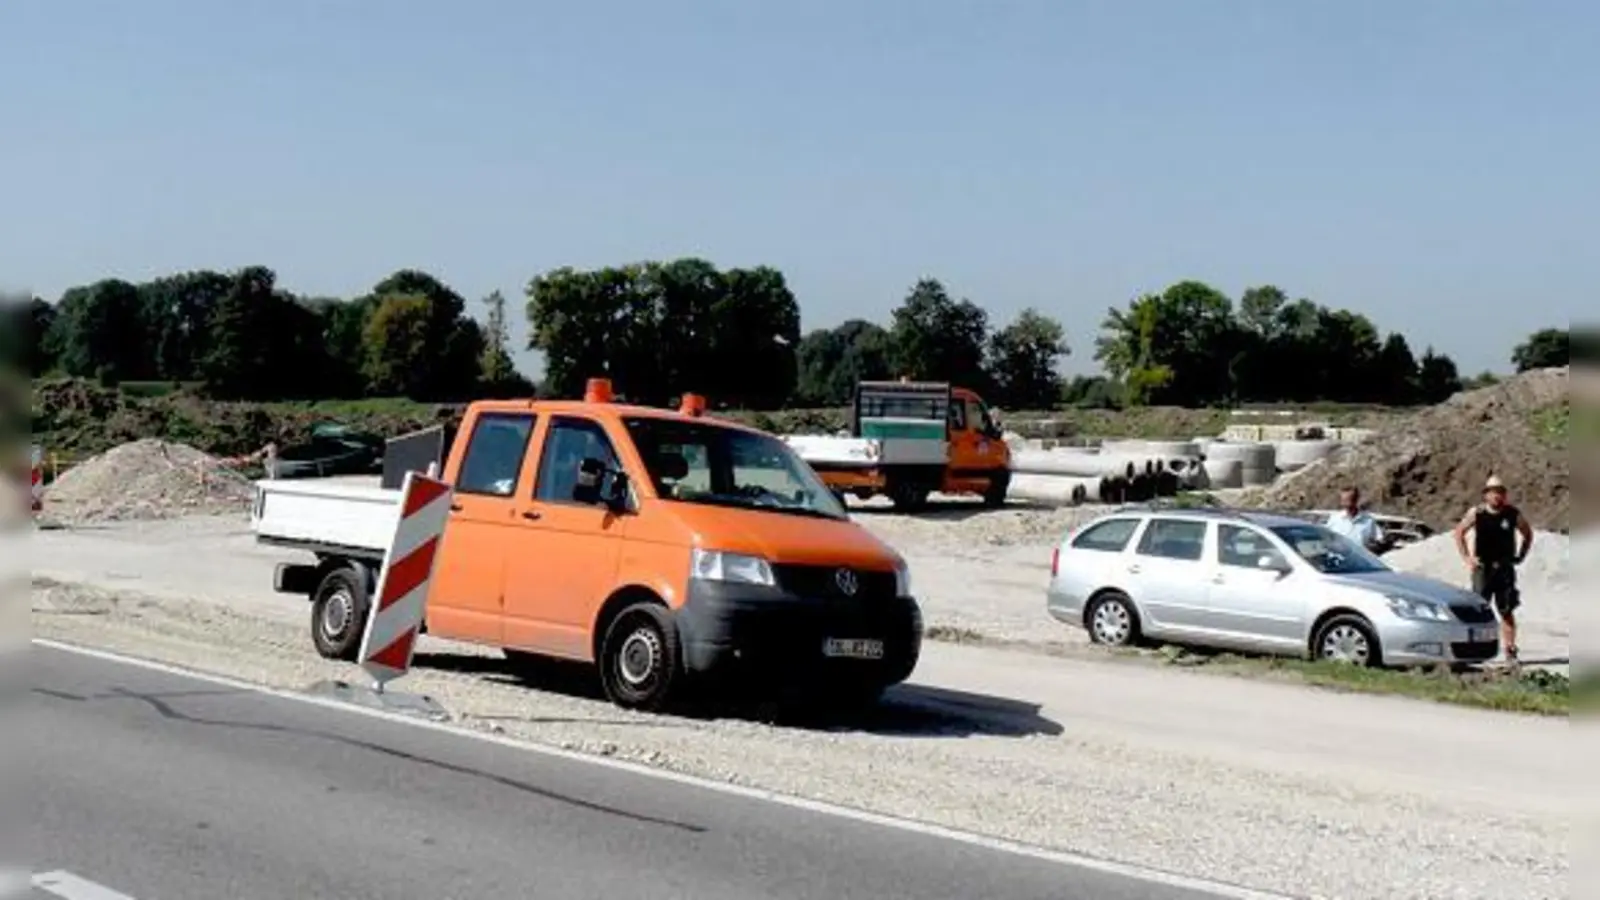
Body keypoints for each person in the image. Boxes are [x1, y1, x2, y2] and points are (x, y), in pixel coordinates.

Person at [1452, 475, 1535, 664]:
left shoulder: (1512, 514)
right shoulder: (1477, 513)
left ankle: (1510, 650)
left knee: (1506, 610)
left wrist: (1521, 555)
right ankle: (1473, 649)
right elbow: (1459, 533)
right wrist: (1467, 558)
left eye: (1500, 493)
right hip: (1483, 567)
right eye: (1493, 493)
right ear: (1486, 495)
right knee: (1478, 609)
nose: (1497, 496)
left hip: (1504, 568)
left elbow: (1528, 533)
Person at [1324, 486, 1384, 553]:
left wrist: (1370, 550)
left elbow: (1379, 540)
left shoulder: (1368, 520)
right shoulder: (1334, 519)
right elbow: (1326, 539)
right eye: (1343, 500)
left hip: (1359, 561)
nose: (1344, 503)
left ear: (1356, 499)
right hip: (1339, 559)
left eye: (1348, 499)